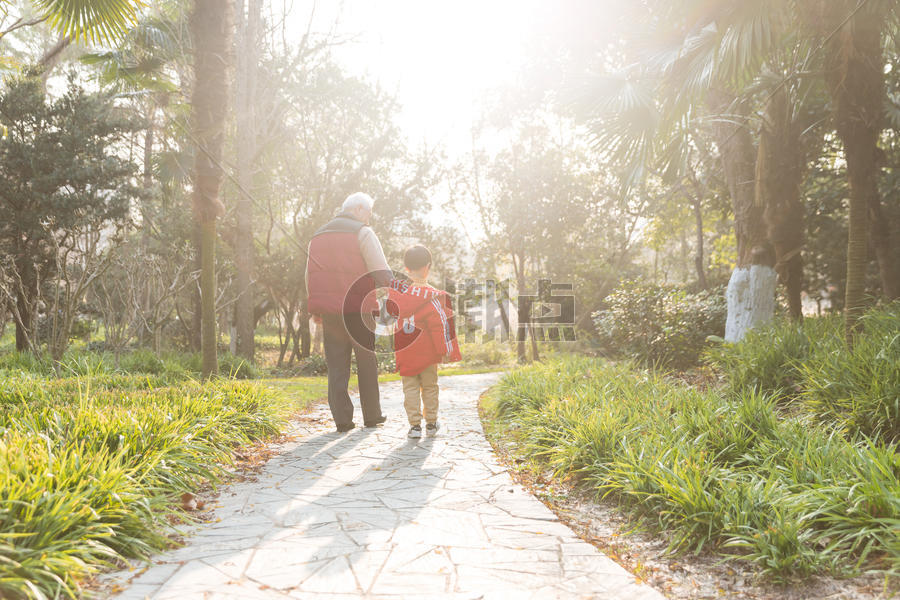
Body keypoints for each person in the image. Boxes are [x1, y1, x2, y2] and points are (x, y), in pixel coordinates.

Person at [306, 192, 392, 432]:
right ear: (359, 209)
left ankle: (342, 420)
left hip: (332, 312)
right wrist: (391, 289)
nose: (369, 219)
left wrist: (315, 307)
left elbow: (310, 275)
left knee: (336, 365)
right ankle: (372, 416)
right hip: (359, 310)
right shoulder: (363, 232)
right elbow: (379, 268)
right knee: (366, 361)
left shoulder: (317, 236)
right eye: (369, 214)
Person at [387, 245, 461, 439]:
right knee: (429, 386)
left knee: (409, 387)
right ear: (428, 267)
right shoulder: (433, 296)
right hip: (427, 353)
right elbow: (439, 325)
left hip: (405, 350)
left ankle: (414, 426)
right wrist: (445, 349)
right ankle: (431, 423)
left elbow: (391, 316)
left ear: (406, 268)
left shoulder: (396, 294)